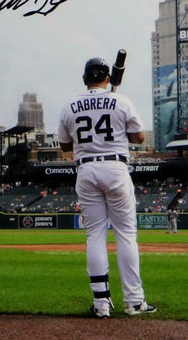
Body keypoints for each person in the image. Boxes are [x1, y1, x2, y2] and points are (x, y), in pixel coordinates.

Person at [58, 56, 156, 318]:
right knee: (125, 234)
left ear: (84, 78)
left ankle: (101, 304)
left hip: (86, 169)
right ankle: (134, 301)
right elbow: (139, 137)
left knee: (95, 236)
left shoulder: (70, 105)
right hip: (115, 167)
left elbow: (65, 146)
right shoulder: (121, 101)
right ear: (109, 78)